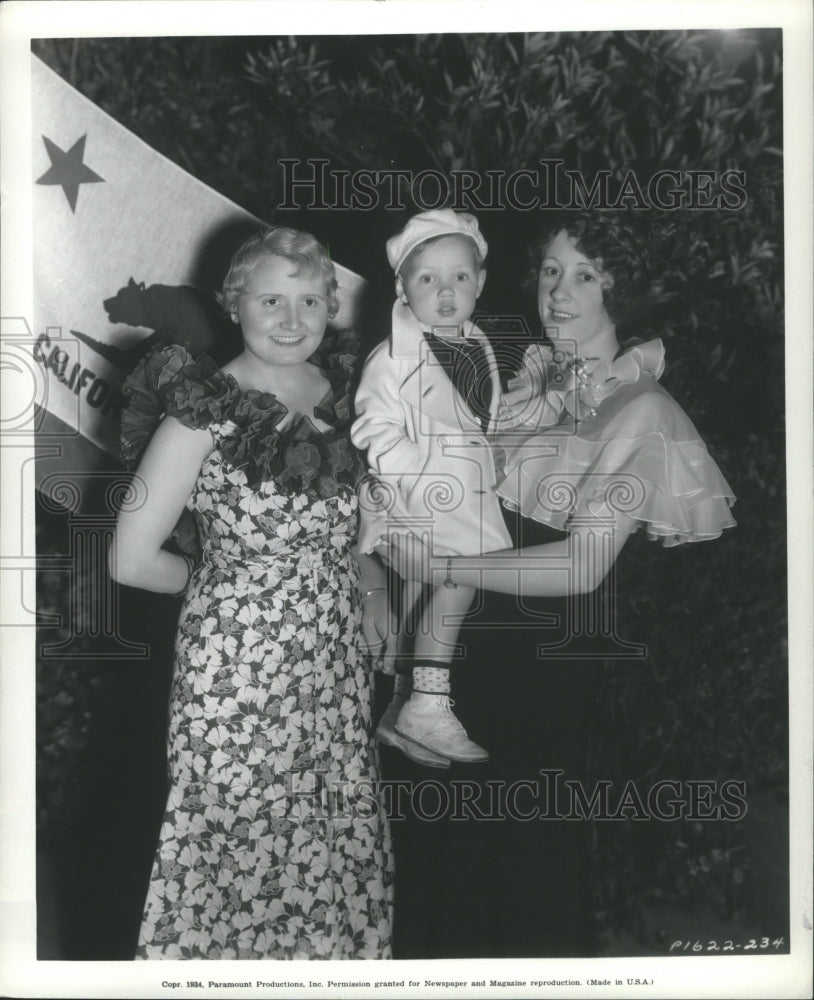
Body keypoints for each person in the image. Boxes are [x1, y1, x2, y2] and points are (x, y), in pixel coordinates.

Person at [384, 210, 736, 958]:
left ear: (621, 290)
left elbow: (580, 566)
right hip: (456, 658)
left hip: (542, 665)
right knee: (434, 857)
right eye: (550, 271)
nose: (560, 291)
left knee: (519, 860)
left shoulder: (643, 410)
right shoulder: (522, 384)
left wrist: (441, 570)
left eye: (585, 275)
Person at [110, 226, 394, 960]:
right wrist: (233, 594)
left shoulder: (353, 399)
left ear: (332, 306)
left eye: (309, 299)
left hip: (331, 669)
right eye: (272, 299)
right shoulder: (201, 412)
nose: (292, 318)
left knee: (329, 849)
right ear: (234, 304)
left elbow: (361, 533)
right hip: (237, 678)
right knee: (240, 854)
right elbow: (130, 560)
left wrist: (368, 586)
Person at [351, 209, 512, 767]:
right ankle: (429, 699)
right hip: (416, 493)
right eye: (427, 279)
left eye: (460, 278)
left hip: (462, 491)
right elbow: (373, 427)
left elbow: (477, 419)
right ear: (402, 287)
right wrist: (418, 472)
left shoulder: (478, 344)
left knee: (427, 597)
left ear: (480, 283)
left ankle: (399, 707)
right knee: (460, 576)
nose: (445, 292)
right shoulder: (391, 357)